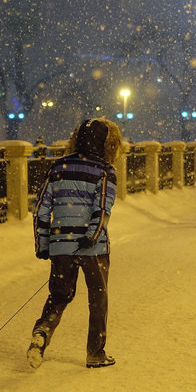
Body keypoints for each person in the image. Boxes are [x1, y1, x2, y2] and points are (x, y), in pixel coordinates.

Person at [29, 118, 122, 370]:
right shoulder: (105, 171)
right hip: (94, 249)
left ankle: (42, 333)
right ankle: (95, 353)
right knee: (98, 299)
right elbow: (102, 209)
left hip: (61, 245)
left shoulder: (58, 167)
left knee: (59, 295)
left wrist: (44, 244)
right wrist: (91, 236)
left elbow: (40, 209)